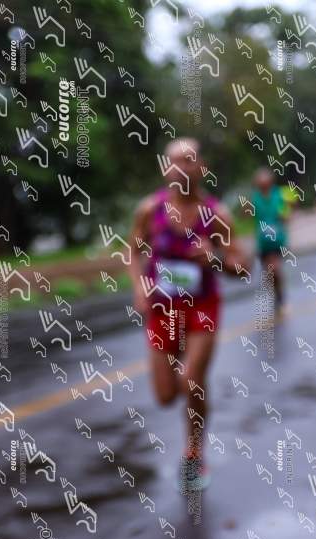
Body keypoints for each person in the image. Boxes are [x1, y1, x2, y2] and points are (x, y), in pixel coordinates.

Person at [128, 138, 250, 491]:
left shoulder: (217, 214)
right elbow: (133, 251)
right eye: (175, 161)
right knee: (166, 396)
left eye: (189, 160)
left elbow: (243, 266)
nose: (181, 167)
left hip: (202, 307)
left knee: (191, 380)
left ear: (202, 167)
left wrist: (216, 259)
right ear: (165, 169)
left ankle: (194, 454)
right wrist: (139, 287)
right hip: (162, 308)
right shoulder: (150, 210)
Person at [252, 168, 290, 317]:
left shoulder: (279, 195)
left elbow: (286, 214)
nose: (263, 185)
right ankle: (276, 295)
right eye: (260, 183)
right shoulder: (255, 198)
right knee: (269, 273)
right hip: (263, 243)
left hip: (277, 240)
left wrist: (284, 215)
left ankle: (280, 296)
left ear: (270, 182)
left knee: (275, 269)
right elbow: (247, 214)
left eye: (265, 182)